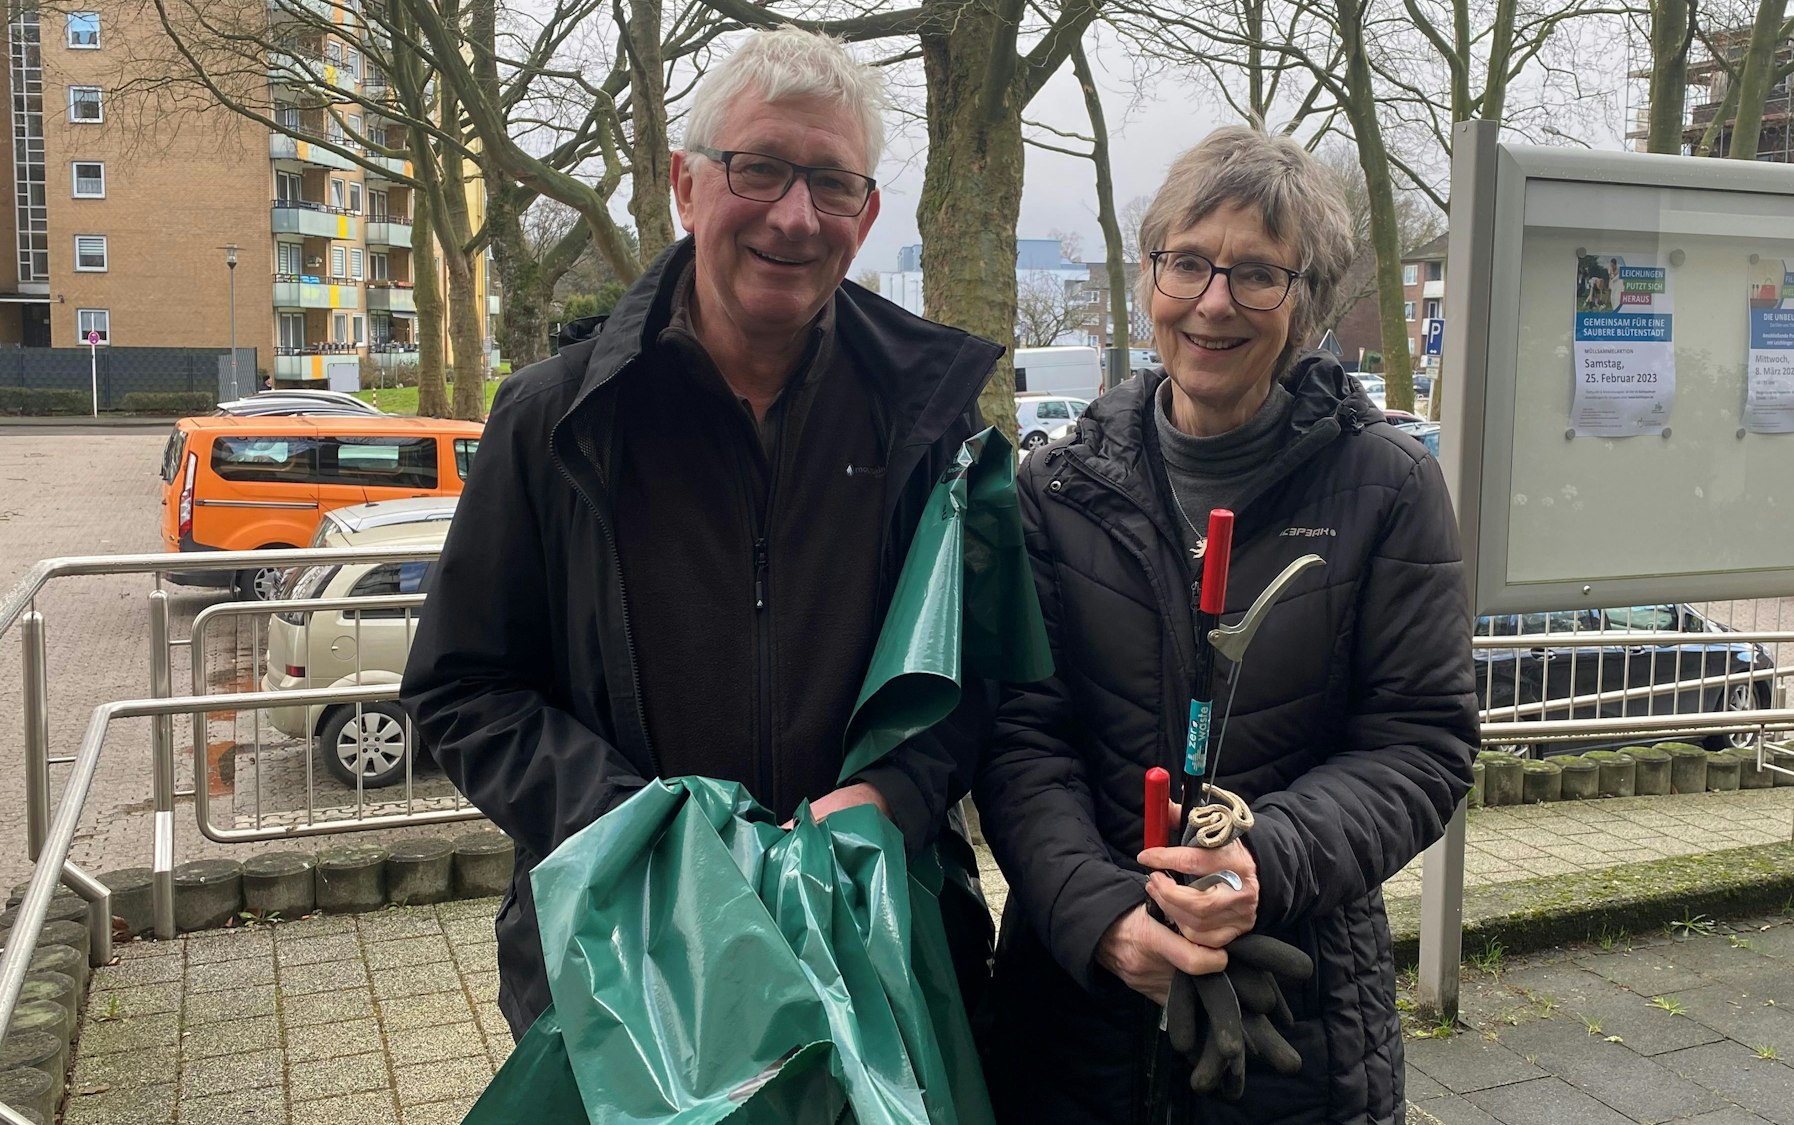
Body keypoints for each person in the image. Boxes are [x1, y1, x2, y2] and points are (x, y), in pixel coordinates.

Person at [402, 27, 1003, 1040]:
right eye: (760, 169)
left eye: (830, 184)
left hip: (874, 952)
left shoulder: (933, 422)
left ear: (867, 214)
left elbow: (983, 671)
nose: (794, 216)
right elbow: (463, 689)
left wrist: (895, 791)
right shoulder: (555, 422)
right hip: (627, 958)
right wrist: (650, 831)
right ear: (685, 185)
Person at [975, 126, 1477, 1123]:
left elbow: (1419, 739)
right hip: (1074, 1017)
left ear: (1304, 306)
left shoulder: (1384, 488)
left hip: (1296, 1013)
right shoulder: (1052, 490)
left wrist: (1264, 859)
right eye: (1188, 263)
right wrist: (1102, 914)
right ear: (1149, 276)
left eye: (1256, 275)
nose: (1212, 302)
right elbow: (1016, 735)